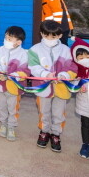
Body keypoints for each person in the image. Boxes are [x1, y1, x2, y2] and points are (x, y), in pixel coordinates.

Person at [28, 20, 78, 152]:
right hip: (43, 87)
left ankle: (56, 133)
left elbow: (72, 67)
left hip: (61, 88)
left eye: (53, 36)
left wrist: (65, 76)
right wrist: (45, 74)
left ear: (60, 35)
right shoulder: (34, 50)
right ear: (41, 34)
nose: (49, 39)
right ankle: (44, 131)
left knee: (58, 112)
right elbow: (33, 66)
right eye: (46, 36)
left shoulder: (67, 51)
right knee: (44, 111)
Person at [0, 26, 30, 141]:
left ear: (18, 42)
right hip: (0, 86)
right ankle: (3, 123)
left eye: (10, 38)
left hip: (15, 88)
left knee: (13, 108)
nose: (6, 40)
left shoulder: (23, 54)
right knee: (1, 105)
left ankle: (11, 126)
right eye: (6, 37)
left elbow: (24, 71)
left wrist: (9, 76)